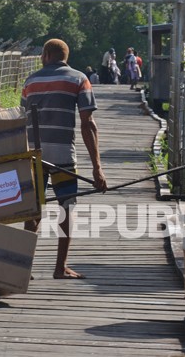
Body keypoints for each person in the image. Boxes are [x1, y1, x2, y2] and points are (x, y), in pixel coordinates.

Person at [22, 39, 107, 279]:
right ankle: (60, 268)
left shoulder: (30, 81)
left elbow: (21, 118)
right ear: (65, 56)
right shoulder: (80, 79)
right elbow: (88, 123)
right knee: (66, 210)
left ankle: (24, 266)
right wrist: (97, 168)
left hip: (34, 156)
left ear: (47, 54)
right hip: (63, 157)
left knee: (33, 210)